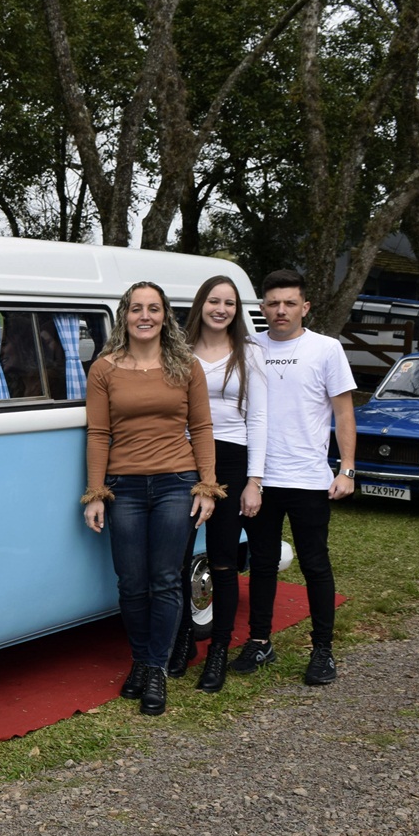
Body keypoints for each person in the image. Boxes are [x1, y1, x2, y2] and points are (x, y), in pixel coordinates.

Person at [83, 281, 222, 715]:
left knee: (164, 579)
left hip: (175, 484)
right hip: (123, 487)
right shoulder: (104, 369)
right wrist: (95, 493)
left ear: (165, 317)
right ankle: (141, 660)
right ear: (124, 315)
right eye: (137, 308)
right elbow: (98, 434)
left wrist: (207, 486)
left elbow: (202, 428)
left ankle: (156, 668)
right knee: (130, 582)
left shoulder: (186, 367)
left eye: (154, 308)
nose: (145, 316)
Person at [236, 268, 356, 685]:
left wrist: (347, 469)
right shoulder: (248, 347)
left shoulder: (326, 349)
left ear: (305, 306)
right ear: (262, 307)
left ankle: (322, 650)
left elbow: (344, 412)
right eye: (273, 303)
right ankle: (259, 642)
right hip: (260, 479)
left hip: (308, 479)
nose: (281, 310)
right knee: (262, 563)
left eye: (289, 303)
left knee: (315, 565)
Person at [171, 276, 267, 692]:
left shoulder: (250, 352)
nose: (221, 309)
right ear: (201, 304)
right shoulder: (180, 350)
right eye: (214, 301)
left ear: (236, 310)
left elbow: (259, 418)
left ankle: (219, 651)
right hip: (183, 456)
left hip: (231, 458)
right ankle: (183, 641)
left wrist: (254, 480)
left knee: (224, 559)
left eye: (229, 303)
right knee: (176, 557)